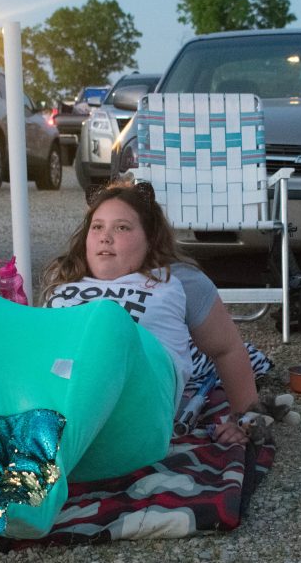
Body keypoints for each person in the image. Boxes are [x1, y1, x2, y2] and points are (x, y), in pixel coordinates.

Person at [40, 180, 260, 445]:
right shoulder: (65, 278)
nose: (105, 237)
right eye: (97, 227)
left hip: (136, 418)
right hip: (58, 399)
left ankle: (42, 444)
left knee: (109, 321)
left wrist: (244, 419)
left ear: (150, 238)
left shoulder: (178, 280)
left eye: (121, 227)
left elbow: (228, 348)